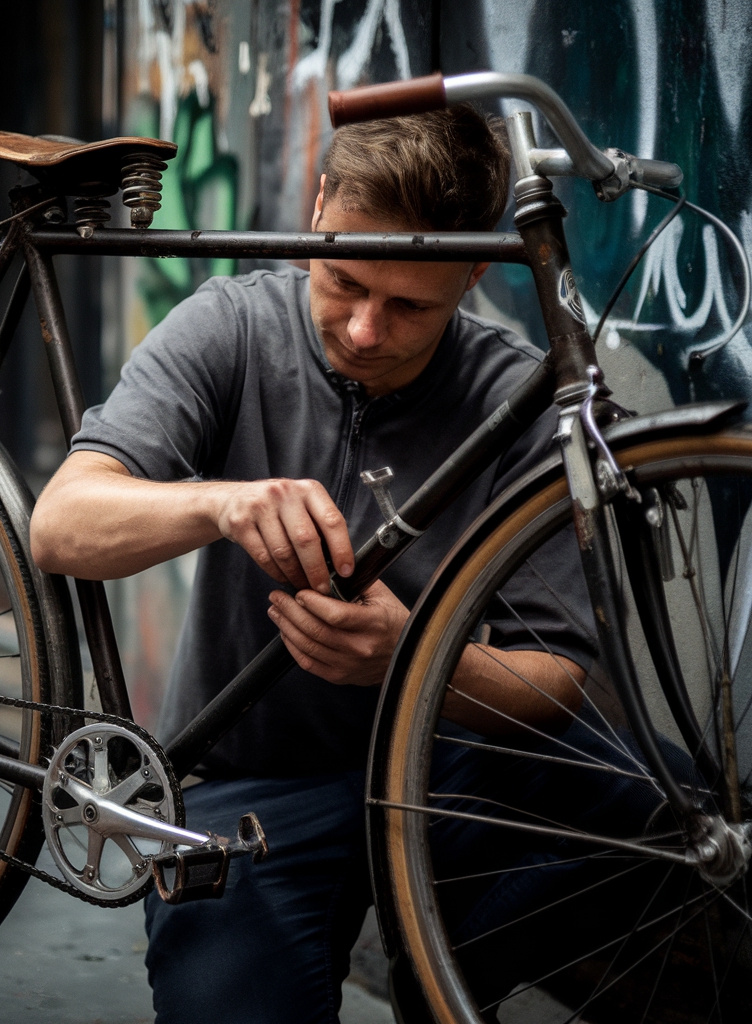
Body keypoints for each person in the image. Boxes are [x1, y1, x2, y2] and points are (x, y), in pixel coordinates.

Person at [30, 107, 594, 1023]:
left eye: (411, 304)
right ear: (319, 205)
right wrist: (222, 502)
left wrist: (414, 657)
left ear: (477, 271)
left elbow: (561, 680)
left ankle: (446, 979)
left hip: (444, 776)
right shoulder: (231, 329)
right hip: (253, 783)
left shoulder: (518, 396)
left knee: (641, 803)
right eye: (342, 278)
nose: (367, 330)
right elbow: (60, 524)